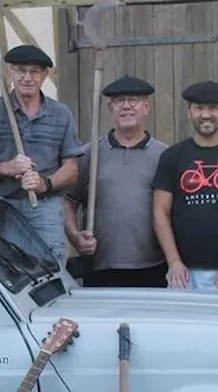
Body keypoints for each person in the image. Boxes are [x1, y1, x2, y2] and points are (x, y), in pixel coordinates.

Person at [0, 44, 85, 264]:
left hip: (45, 207)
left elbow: (72, 169)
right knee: (3, 272)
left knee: (51, 269)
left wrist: (45, 183)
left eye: (34, 71)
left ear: (46, 75)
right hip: (2, 205)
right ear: (10, 73)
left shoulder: (60, 114)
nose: (27, 77)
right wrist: (6, 168)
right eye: (20, 70)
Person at [152, 80, 218, 291]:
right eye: (199, 108)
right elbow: (160, 212)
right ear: (189, 112)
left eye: (213, 108)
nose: (205, 114)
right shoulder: (172, 157)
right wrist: (174, 262)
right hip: (183, 272)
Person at [64, 75, 169, 288]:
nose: (127, 107)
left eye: (134, 101)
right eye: (120, 101)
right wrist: (75, 238)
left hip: (153, 266)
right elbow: (67, 202)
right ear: (111, 107)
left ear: (146, 107)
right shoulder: (90, 154)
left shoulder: (165, 156)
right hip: (101, 266)